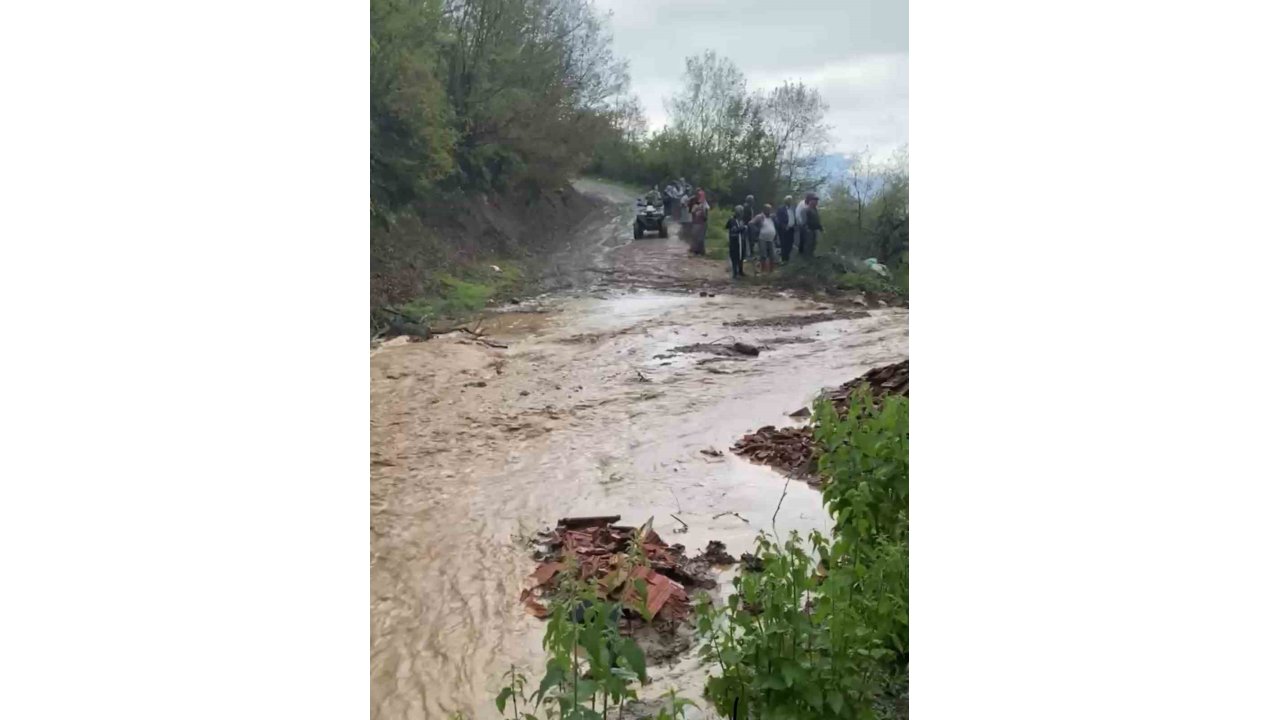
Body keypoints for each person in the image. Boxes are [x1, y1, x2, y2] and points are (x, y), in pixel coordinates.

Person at [751, 203, 779, 273]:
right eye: (768, 210)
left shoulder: (772, 217)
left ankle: (771, 271)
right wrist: (757, 230)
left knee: (772, 255)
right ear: (764, 210)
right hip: (762, 238)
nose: (769, 211)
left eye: (770, 210)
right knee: (763, 255)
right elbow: (751, 223)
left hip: (771, 239)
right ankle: (763, 271)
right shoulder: (760, 217)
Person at [799, 192, 824, 257]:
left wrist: (821, 228)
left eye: (816, 200)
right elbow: (804, 222)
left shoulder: (815, 210)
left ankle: (811, 259)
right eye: (815, 200)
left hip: (814, 230)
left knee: (813, 245)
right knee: (808, 245)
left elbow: (817, 221)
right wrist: (807, 230)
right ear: (810, 201)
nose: (816, 202)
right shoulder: (805, 210)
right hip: (809, 231)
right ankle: (806, 260)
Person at [726, 205, 747, 278]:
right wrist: (742, 228)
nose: (741, 213)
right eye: (740, 212)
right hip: (735, 241)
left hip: (741, 240)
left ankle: (741, 271)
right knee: (735, 257)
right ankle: (735, 273)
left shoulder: (741, 220)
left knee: (741, 256)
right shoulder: (732, 220)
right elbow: (733, 230)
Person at [688, 189, 710, 255]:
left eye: (701, 195)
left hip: (701, 223)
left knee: (700, 238)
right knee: (697, 238)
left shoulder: (704, 203)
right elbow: (691, 212)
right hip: (697, 223)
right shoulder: (694, 202)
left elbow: (706, 213)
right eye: (699, 195)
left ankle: (700, 251)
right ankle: (697, 251)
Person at [775, 195, 797, 262]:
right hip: (784, 229)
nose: (790, 201)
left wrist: (795, 225)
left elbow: (794, 217)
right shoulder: (781, 209)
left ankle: (786, 257)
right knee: (784, 244)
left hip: (791, 228)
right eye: (788, 200)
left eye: (790, 200)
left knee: (790, 243)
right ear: (785, 201)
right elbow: (778, 219)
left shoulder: (793, 208)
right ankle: (784, 259)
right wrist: (784, 226)